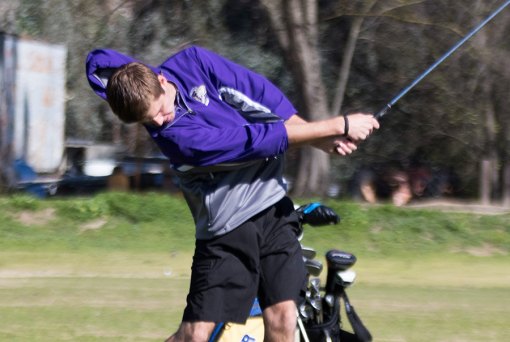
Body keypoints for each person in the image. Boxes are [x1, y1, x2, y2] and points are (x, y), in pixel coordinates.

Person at [86, 45, 379, 342]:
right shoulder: (177, 139)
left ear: (161, 80)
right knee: (195, 334)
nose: (159, 122)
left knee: (284, 319)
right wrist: (336, 126)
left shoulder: (192, 62)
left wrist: (317, 135)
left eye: (159, 111)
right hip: (227, 232)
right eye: (148, 121)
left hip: (274, 212)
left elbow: (254, 92)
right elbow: (251, 142)